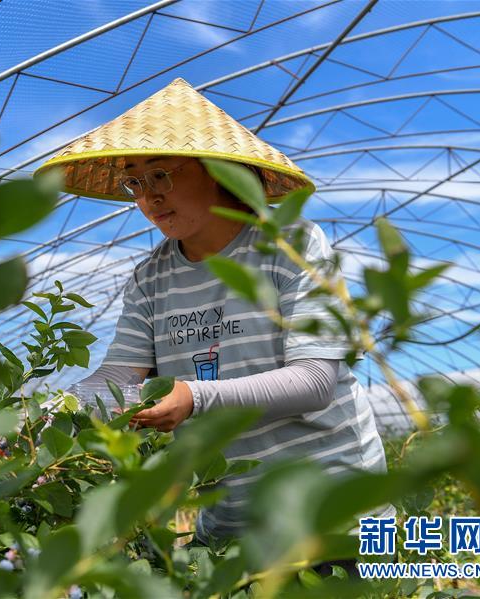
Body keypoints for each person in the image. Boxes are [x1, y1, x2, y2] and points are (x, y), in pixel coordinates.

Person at [34, 78, 392, 557]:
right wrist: (41, 421)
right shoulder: (151, 277)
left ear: (221, 170)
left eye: (161, 175)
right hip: (230, 535)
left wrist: (194, 396)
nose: (148, 198)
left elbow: (314, 382)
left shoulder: (292, 244)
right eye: (134, 183)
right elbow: (118, 377)